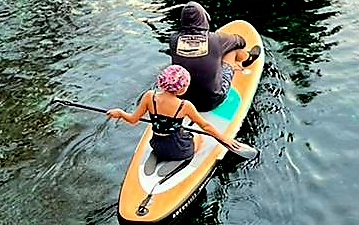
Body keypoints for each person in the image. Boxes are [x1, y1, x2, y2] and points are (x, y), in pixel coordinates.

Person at [107, 65, 254, 164]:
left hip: (157, 146)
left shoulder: (149, 96)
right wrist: (225, 139)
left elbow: (133, 120)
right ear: (181, 88)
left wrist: (120, 113)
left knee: (181, 133)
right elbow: (206, 126)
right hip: (179, 149)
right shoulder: (184, 106)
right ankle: (190, 156)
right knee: (199, 138)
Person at [167, 1, 260, 112]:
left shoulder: (173, 40)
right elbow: (240, 42)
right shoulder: (216, 39)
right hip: (212, 101)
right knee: (232, 50)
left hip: (182, 98)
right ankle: (246, 58)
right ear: (204, 18)